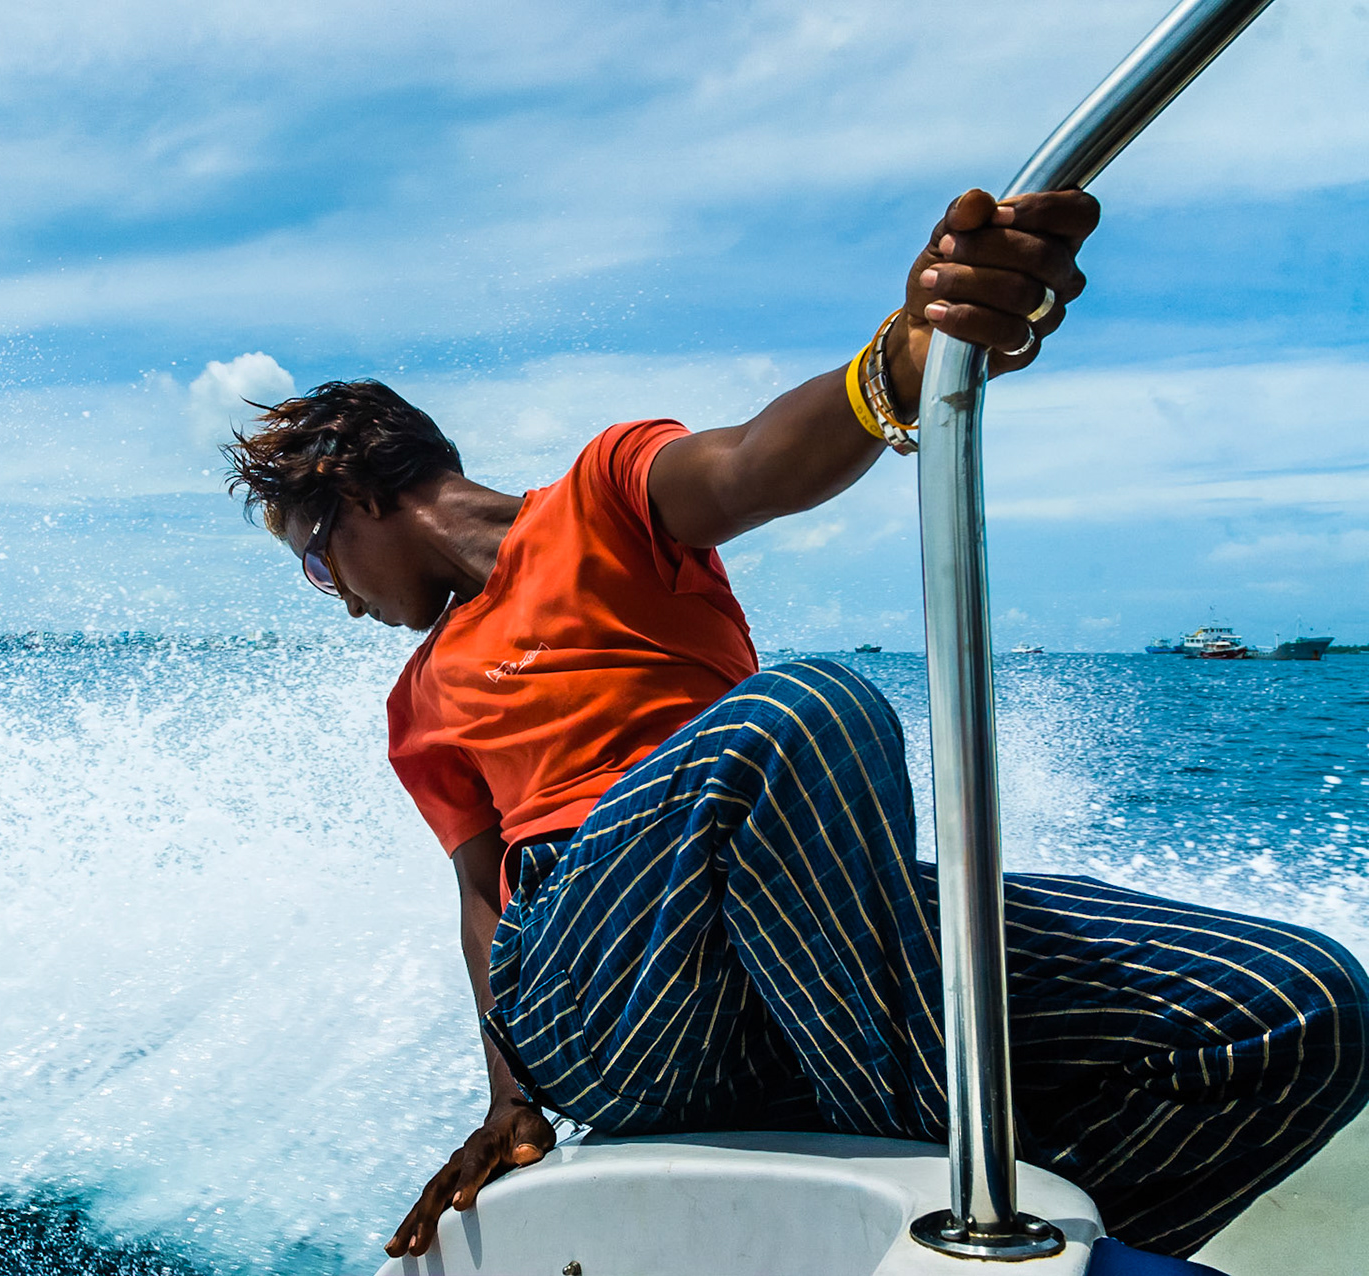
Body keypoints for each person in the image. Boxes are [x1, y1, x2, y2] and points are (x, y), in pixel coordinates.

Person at [220, 188, 1369, 1260]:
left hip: (810, 915)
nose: (346, 600)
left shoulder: (604, 495)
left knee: (1303, 1005)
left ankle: (971, 1260)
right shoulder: (418, 701)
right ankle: (935, 1195)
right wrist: (509, 1101)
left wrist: (906, 359)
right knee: (796, 719)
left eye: (319, 562)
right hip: (610, 992)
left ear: (359, 492)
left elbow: (757, 458)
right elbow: (484, 903)